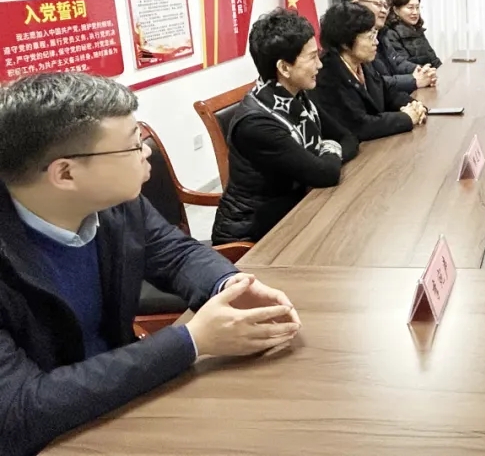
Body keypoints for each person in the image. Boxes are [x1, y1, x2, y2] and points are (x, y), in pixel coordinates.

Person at [0, 72, 301, 456]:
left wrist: (229, 286)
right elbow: (17, 414)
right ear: (65, 173)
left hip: (123, 401)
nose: (145, 151)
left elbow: (176, 253)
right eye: (132, 144)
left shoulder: (115, 204)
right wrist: (191, 340)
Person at [213, 9, 359, 244]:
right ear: (284, 68)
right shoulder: (257, 124)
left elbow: (348, 137)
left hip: (295, 211)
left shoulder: (295, 96)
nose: (320, 65)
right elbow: (326, 174)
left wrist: (326, 155)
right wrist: (328, 149)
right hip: (254, 234)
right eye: (312, 57)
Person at [313, 1, 427, 141]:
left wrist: (415, 106)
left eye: (375, 34)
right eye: (370, 37)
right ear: (345, 43)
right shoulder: (327, 75)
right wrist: (406, 118)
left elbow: (389, 94)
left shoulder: (364, 63)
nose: (376, 42)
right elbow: (359, 126)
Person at [348, 0, 436, 93]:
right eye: (378, 4)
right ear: (356, 5)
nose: (384, 10)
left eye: (385, 6)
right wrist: (413, 80)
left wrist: (419, 70)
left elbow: (396, 60)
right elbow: (375, 82)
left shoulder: (381, 33)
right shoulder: (352, 37)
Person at [384, 0, 443, 68]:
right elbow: (403, 65)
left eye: (417, 7)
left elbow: (433, 59)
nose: (415, 12)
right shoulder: (390, 33)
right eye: (410, 7)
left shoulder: (417, 30)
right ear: (396, 10)